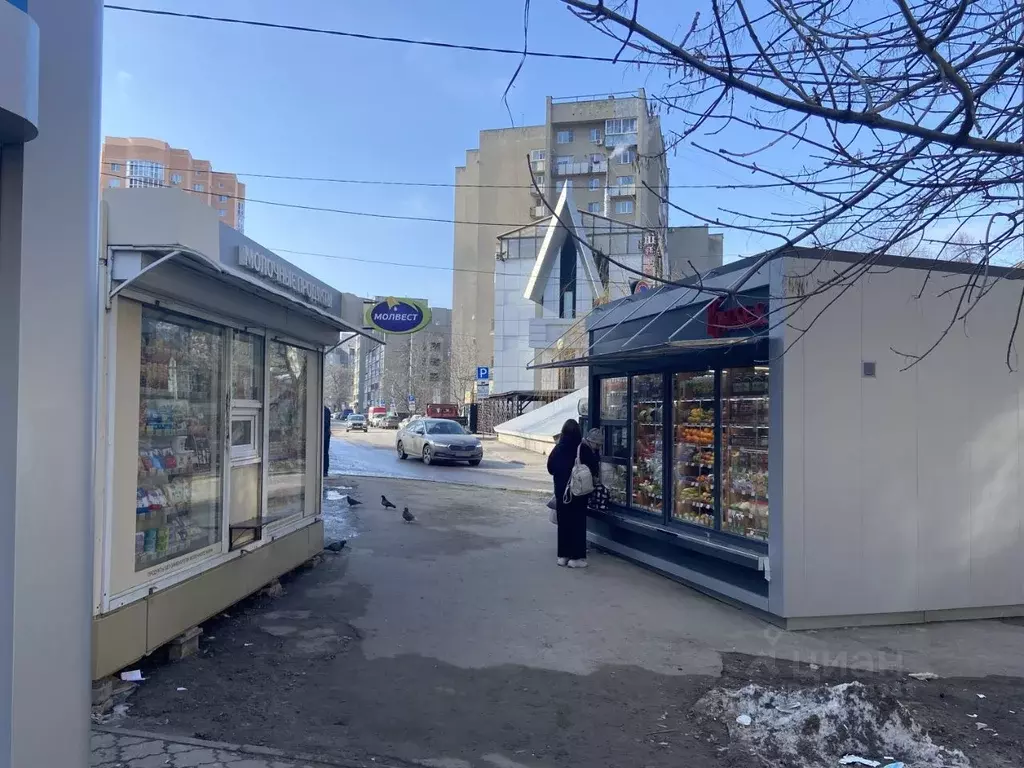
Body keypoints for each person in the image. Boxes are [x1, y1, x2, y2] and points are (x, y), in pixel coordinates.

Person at [547, 418, 599, 568]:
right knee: (578, 523)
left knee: (563, 523)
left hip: (561, 492)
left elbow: (550, 468)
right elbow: (594, 469)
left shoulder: (557, 448)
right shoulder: (582, 448)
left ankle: (562, 556)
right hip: (578, 493)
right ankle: (576, 558)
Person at [323, 405, 332, 477]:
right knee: (325, 453)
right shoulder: (326, 410)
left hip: (324, 434)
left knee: (324, 453)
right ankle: (325, 471)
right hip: (326, 434)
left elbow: (326, 424)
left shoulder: (324, 410)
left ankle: (324, 471)